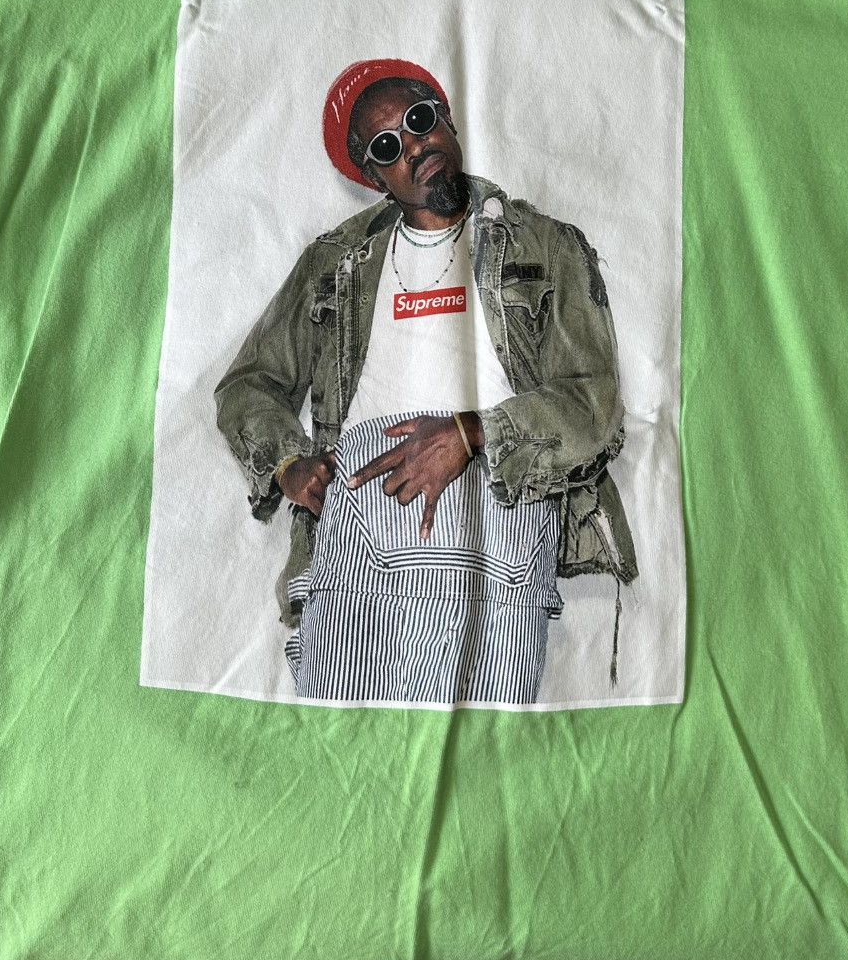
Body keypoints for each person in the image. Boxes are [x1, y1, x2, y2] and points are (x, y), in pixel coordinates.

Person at [214, 57, 637, 704]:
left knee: (482, 735)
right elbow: (249, 384)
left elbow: (594, 402)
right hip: (356, 529)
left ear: (447, 119)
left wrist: (470, 433)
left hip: (499, 514)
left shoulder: (546, 246)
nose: (413, 146)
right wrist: (288, 463)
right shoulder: (333, 262)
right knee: (346, 732)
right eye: (387, 148)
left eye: (419, 120)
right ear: (374, 177)